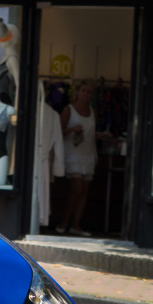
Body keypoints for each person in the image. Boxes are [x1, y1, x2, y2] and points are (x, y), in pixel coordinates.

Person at [56, 81, 97, 237]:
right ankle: (63, 222)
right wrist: (72, 129)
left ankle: (75, 224)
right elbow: (58, 131)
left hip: (88, 153)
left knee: (84, 191)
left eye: (89, 92)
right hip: (72, 153)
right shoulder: (69, 110)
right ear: (77, 92)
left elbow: (91, 134)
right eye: (83, 90)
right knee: (76, 188)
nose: (86, 94)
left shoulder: (93, 111)